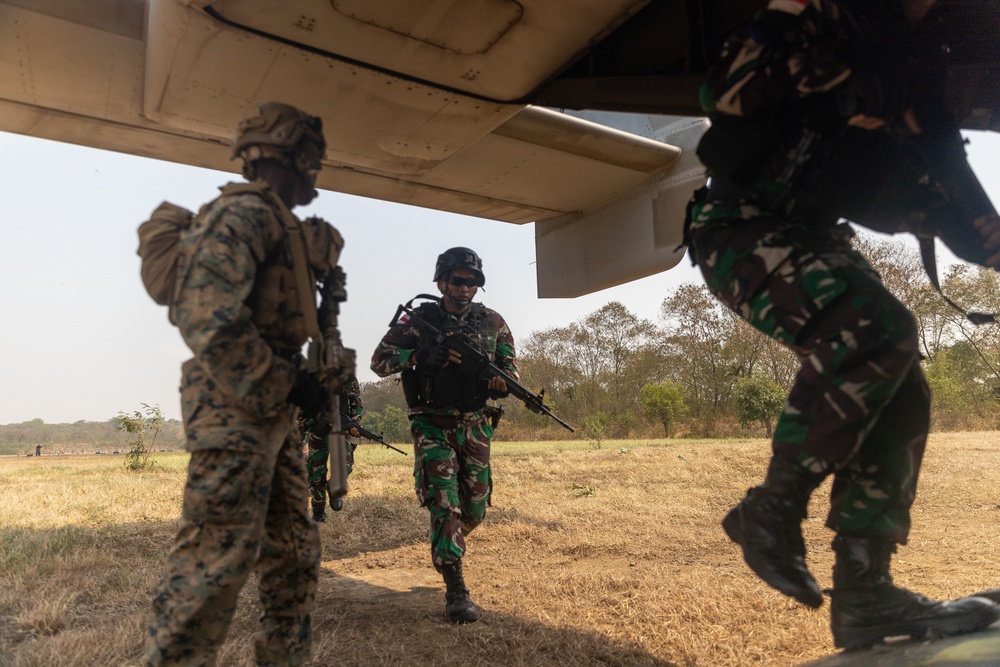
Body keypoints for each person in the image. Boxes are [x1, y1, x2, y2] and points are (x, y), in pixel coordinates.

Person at [688, 0, 1000, 651]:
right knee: (877, 326)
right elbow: (726, 91)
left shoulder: (918, 67)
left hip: (813, 231)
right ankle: (771, 512)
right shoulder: (830, 21)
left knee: (903, 382)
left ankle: (866, 594)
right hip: (738, 224)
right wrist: (837, 85)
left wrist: (980, 228)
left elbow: (941, 203)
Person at [145, 101, 347, 666]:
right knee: (211, 564)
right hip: (234, 410)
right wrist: (287, 382)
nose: (317, 170)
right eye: (312, 157)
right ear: (291, 155)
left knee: (293, 557)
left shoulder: (279, 221)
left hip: (269, 410)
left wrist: (301, 381)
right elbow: (205, 316)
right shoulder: (243, 216)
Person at [370, 248, 517, 623]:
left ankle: (447, 538)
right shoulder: (418, 319)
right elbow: (380, 360)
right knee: (444, 503)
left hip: (476, 425)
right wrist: (418, 357)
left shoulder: (493, 322)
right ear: (441, 283)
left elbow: (509, 369)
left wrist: (504, 384)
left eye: (472, 281)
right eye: (457, 280)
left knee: (474, 509)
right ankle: (456, 589)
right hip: (432, 425)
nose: (464, 287)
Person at [300, 374, 363, 521]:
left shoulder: (349, 379)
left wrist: (356, 424)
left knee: (345, 466)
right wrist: (301, 437)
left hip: (342, 430)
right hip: (317, 432)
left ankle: (334, 489)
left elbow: (356, 404)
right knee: (316, 474)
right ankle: (318, 512)